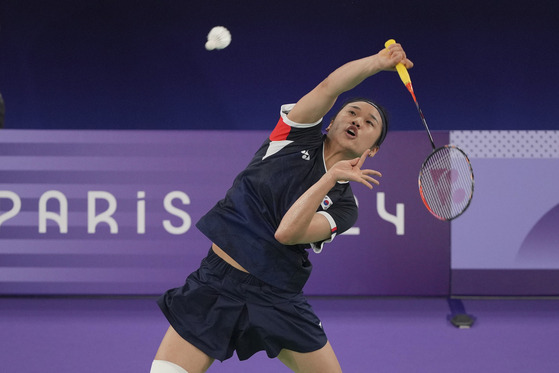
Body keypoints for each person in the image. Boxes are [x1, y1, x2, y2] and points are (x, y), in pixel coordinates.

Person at [151, 42, 413, 373]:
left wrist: (329, 179)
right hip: (216, 283)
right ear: (330, 122)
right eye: (352, 112)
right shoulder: (293, 135)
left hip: (277, 298)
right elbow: (329, 86)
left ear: (372, 150)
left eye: (369, 122)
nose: (358, 121)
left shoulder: (345, 207)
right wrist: (377, 62)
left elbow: (287, 233)